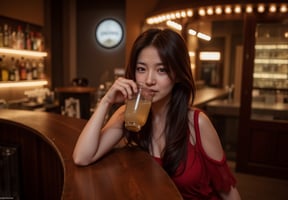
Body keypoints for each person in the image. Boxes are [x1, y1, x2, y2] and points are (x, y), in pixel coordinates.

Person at [73, 28, 241, 200]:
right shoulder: (130, 114)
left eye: (161, 70)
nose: (149, 80)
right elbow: (82, 157)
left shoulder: (197, 123)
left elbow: (227, 191)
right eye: (141, 69)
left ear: (177, 74)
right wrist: (106, 101)